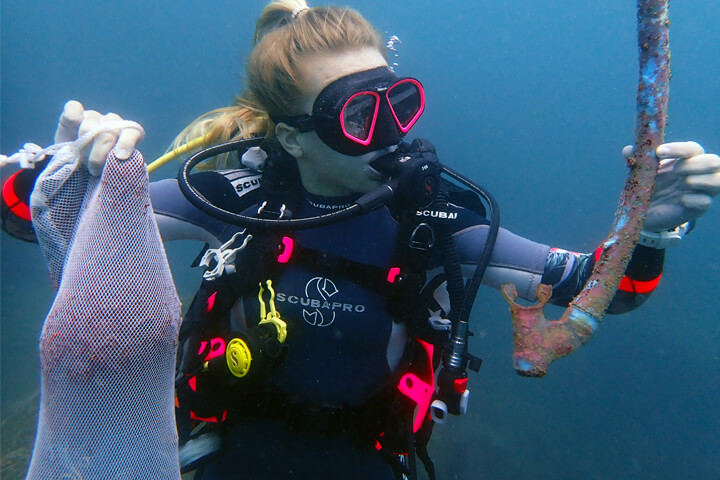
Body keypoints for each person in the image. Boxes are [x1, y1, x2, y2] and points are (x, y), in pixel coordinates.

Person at [2, 0, 720, 478]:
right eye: (359, 117)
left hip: (375, 462)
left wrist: (651, 229)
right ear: (292, 137)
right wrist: (61, 166)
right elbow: (44, 220)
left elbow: (607, 290)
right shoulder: (244, 198)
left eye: (399, 104)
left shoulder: (437, 223)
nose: (395, 134)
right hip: (224, 456)